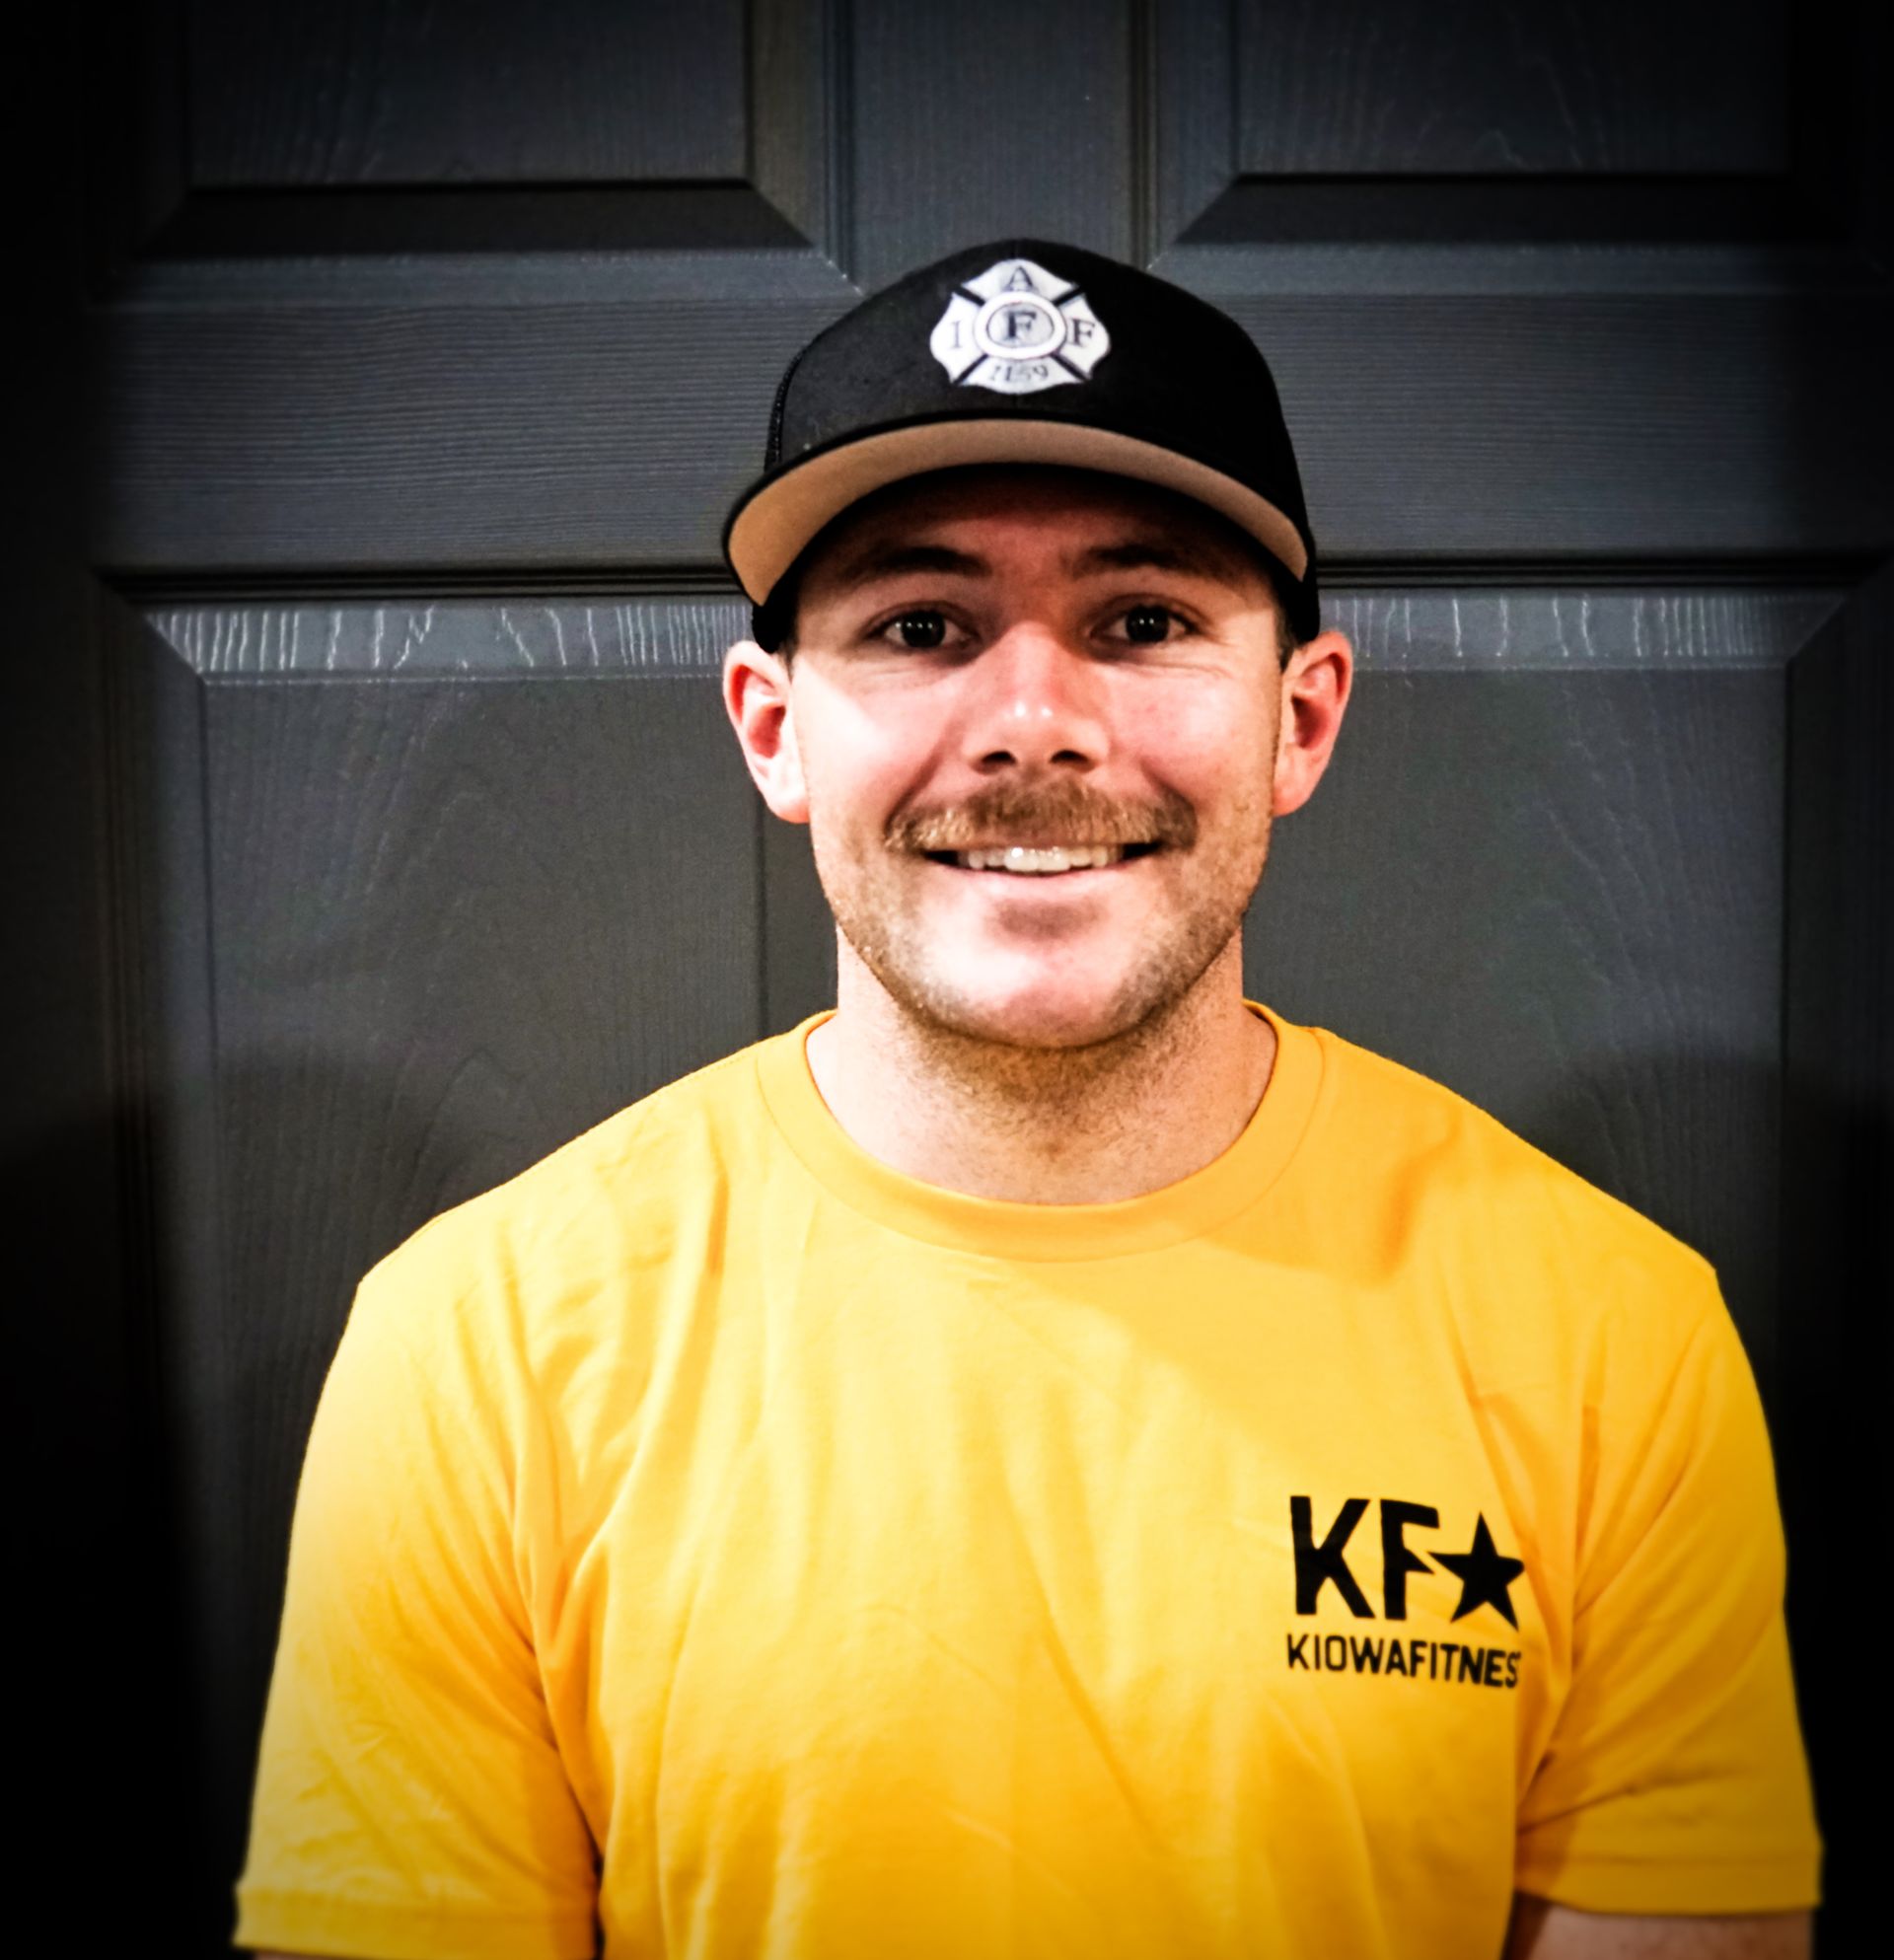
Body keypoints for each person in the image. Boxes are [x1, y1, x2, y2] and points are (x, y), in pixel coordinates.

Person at [235, 240, 1819, 1960]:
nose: (1035, 725)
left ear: (1302, 718)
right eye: (923, 627)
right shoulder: (479, 1349)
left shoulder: (1612, 1336)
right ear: (773, 730)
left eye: (1142, 624)